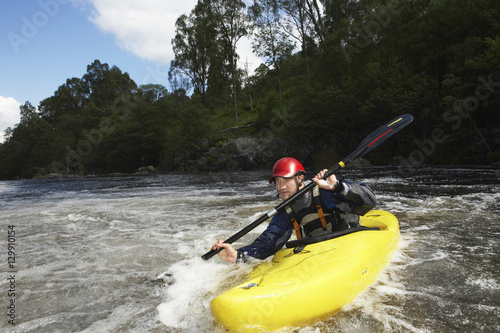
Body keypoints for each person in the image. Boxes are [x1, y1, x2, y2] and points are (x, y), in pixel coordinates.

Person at [210, 157, 377, 263]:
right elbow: (269, 243)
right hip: (321, 251)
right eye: (277, 181)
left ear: (300, 178)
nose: (281, 187)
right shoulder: (285, 211)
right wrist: (239, 255)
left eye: (286, 180)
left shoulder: (326, 190)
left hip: (350, 241)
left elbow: (369, 201)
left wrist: (338, 187)